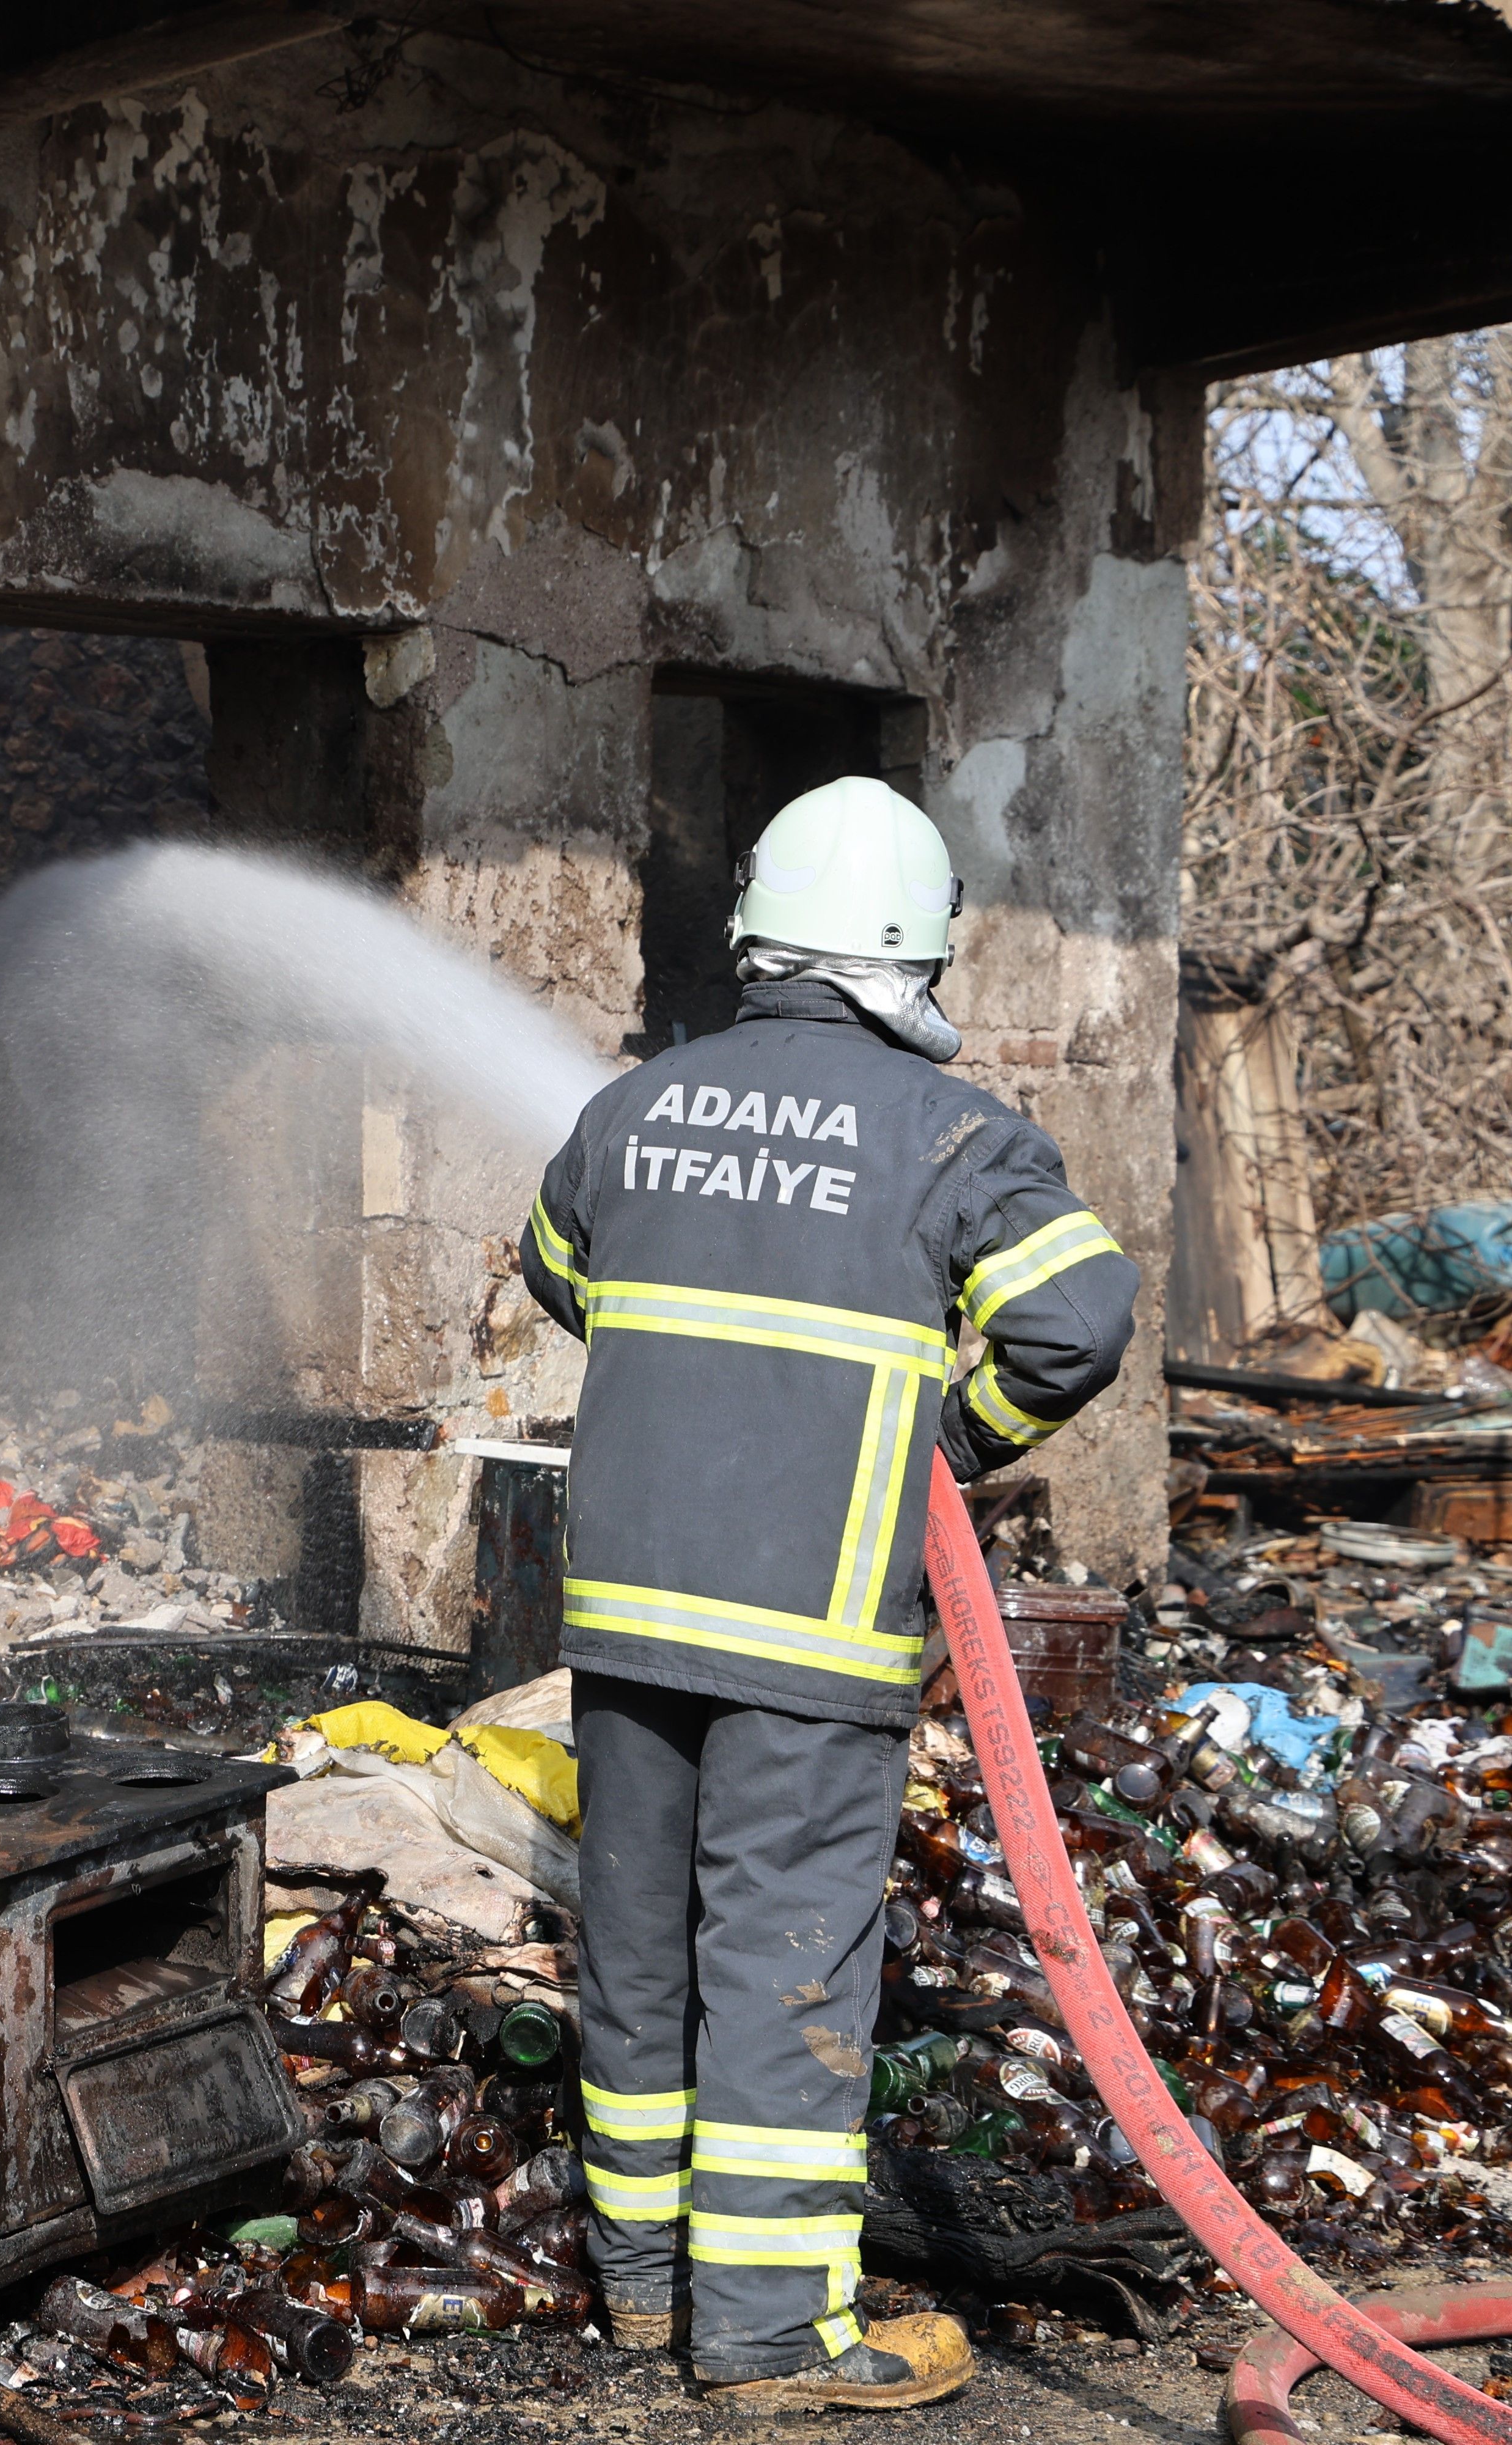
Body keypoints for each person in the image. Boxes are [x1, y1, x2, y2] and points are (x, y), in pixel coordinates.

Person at [517, 776, 1137, 2414]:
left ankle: (643, 2292)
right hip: (810, 1628)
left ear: (759, 939)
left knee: (639, 1953)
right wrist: (950, 1434)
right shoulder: (955, 1138)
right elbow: (1076, 1322)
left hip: (630, 1622)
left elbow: (558, 1267)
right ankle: (775, 2331)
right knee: (788, 1969)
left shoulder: (637, 1108)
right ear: (913, 954)